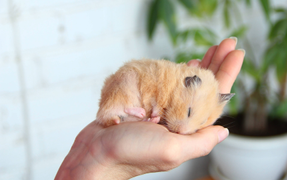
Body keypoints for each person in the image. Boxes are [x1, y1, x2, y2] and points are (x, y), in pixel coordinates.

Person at [54, 37, 244, 180]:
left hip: (135, 111)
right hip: (129, 91)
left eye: (199, 124)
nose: (185, 130)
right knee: (129, 79)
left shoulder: (195, 99)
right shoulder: (168, 79)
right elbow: (151, 87)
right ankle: (119, 110)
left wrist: (100, 156)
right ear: (189, 82)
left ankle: (125, 114)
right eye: (188, 113)